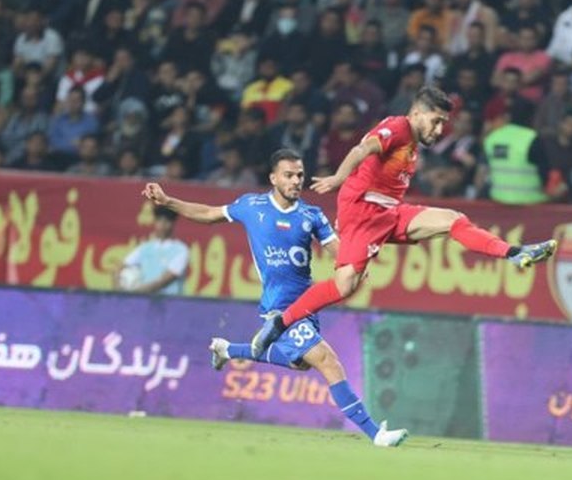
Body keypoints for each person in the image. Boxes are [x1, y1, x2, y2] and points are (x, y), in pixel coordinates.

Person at [249, 85, 557, 357]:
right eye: (436, 121)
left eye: (443, 123)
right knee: (345, 285)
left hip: (390, 211)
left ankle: (514, 253)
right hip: (364, 211)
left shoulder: (412, 141)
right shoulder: (398, 127)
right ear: (417, 114)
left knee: (453, 220)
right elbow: (362, 148)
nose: (440, 130)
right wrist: (339, 177)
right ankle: (281, 322)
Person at [142, 149, 408, 447]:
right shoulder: (251, 206)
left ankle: (228, 350)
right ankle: (376, 434)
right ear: (273, 178)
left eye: (300, 175)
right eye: (289, 175)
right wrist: (168, 201)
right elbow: (207, 214)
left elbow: (341, 253)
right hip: (278, 307)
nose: (296, 181)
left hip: (307, 307)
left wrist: (357, 261)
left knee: (300, 364)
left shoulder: (311, 215)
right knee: (328, 361)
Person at [117, 207, 189, 295]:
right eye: (159, 221)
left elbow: (164, 281)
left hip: (170, 301)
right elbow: (120, 267)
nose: (162, 225)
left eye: (166, 221)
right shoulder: (145, 248)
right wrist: (119, 292)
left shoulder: (181, 250)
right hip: (145, 300)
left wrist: (135, 293)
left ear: (173, 223)